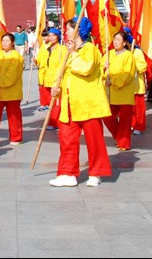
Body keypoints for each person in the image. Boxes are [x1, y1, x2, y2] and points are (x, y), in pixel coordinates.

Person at [49, 17, 111, 188]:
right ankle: (67, 173)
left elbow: (86, 68)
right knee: (67, 139)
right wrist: (56, 88)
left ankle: (95, 172)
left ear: (78, 30)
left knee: (94, 140)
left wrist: (75, 52)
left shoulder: (90, 49)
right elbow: (61, 74)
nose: (65, 32)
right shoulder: (67, 51)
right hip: (69, 103)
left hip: (88, 103)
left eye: (69, 29)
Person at [103, 31, 135, 150]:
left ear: (125, 42)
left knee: (125, 121)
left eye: (118, 40)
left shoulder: (128, 55)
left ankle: (124, 143)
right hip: (111, 93)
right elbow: (99, 69)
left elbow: (128, 74)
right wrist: (103, 67)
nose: (115, 42)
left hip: (124, 92)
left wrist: (114, 81)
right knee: (107, 116)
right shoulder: (108, 54)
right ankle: (119, 136)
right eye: (114, 39)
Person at [33, 28, 58, 111]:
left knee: (49, 88)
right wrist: (36, 60)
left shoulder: (53, 46)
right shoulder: (43, 46)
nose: (44, 38)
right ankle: (43, 103)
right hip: (42, 71)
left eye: (46, 36)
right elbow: (40, 58)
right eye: (43, 36)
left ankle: (50, 103)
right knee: (42, 88)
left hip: (50, 71)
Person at [131, 35, 149, 133]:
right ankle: (132, 124)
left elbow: (143, 67)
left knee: (138, 108)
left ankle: (139, 126)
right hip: (126, 86)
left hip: (137, 86)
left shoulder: (137, 52)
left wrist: (132, 64)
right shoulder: (122, 52)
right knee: (130, 109)